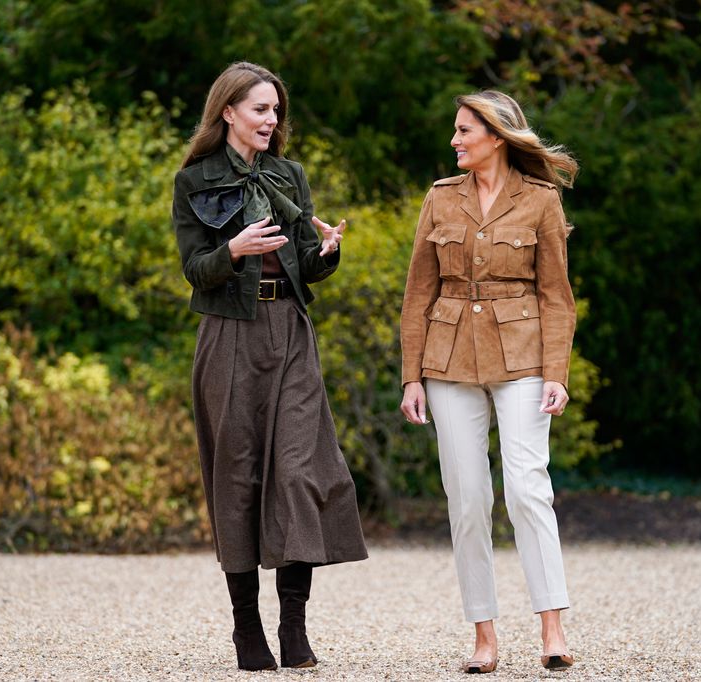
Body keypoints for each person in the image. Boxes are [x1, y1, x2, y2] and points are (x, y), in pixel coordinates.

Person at [172, 61, 368, 672]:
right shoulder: (193, 180)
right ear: (227, 111)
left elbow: (305, 264)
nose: (271, 120)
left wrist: (327, 252)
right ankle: (245, 629)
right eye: (260, 109)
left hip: (291, 335)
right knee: (237, 477)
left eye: (276, 110)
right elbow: (194, 269)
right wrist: (232, 250)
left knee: (299, 472)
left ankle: (294, 627)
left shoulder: (291, 176)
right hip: (230, 336)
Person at [400, 90, 579, 674]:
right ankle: (484, 636)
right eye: (455, 131)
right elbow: (417, 296)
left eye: (464, 131)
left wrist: (557, 373)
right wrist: (412, 378)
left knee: (528, 488)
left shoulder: (541, 201)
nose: (454, 140)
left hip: (524, 357)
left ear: (497, 137)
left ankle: (552, 629)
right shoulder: (440, 199)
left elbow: (556, 296)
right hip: (448, 361)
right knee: (468, 499)